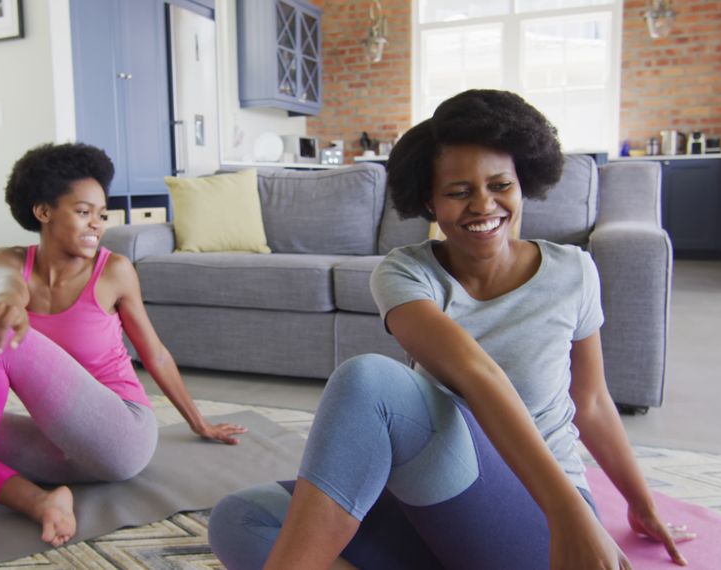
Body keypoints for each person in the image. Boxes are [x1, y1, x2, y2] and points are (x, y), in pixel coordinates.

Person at [207, 90, 695, 569]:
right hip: (432, 502)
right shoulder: (405, 274)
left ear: (524, 183)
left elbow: (590, 403)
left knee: (372, 382)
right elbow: (473, 372)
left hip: (545, 512)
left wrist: (627, 506)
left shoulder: (574, 271)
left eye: (500, 185)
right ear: (430, 203)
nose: (483, 206)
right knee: (241, 518)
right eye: (459, 193)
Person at [0, 142, 246, 552]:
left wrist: (199, 422)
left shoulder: (114, 271)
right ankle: (39, 501)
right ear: (43, 212)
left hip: (121, 437)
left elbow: (155, 353)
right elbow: (10, 290)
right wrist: (5, 306)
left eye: (101, 214)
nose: (97, 225)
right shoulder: (10, 260)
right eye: (83, 211)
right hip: (57, 445)